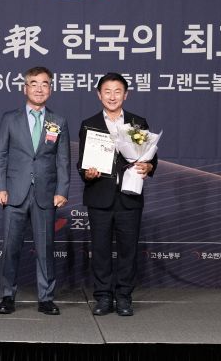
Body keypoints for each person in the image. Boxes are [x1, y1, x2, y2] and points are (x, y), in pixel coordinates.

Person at [77, 72, 157, 317]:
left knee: (128, 250)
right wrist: (87, 173)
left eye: (117, 91)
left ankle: (124, 297)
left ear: (126, 94)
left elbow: (152, 158)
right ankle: (103, 296)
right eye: (107, 92)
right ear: (99, 94)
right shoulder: (89, 123)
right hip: (99, 196)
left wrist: (148, 166)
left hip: (129, 197)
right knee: (100, 250)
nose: (112, 97)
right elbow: (81, 163)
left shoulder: (137, 122)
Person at [0, 66, 70, 315]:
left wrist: (62, 190)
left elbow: (63, 160)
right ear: (25, 88)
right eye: (34, 84)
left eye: (44, 84)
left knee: (46, 249)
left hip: (45, 194)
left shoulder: (58, 121)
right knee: (10, 247)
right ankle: (7, 296)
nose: (39, 88)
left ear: (51, 89)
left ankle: (46, 298)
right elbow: (1, 155)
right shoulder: (9, 118)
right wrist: (0, 187)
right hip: (14, 192)